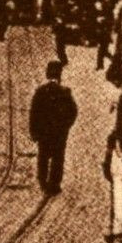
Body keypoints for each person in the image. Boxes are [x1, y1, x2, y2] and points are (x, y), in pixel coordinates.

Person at [28, 60, 78, 195]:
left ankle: (43, 182)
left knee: (43, 157)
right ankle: (54, 184)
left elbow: (33, 113)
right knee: (58, 158)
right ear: (60, 75)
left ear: (47, 74)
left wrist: (34, 131)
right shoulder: (65, 92)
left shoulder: (40, 92)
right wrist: (66, 126)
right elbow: (73, 112)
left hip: (44, 132)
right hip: (59, 133)